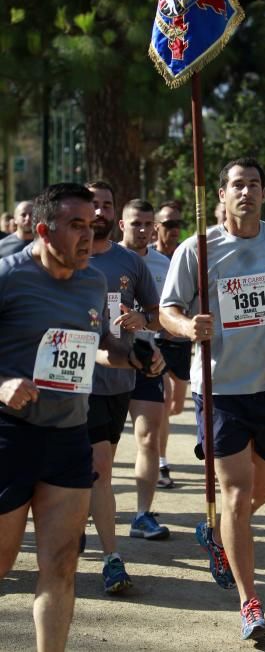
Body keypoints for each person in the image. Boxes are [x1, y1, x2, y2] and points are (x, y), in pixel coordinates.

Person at [159, 156, 265, 640]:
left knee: (259, 494)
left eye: (254, 184)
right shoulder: (198, 250)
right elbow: (166, 309)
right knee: (235, 495)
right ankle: (250, 601)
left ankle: (217, 535)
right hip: (221, 388)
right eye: (237, 185)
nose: (245, 192)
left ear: (264, 193)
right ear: (222, 196)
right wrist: (188, 325)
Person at [0, 183, 163, 652]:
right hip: (10, 435)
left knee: (61, 562)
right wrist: (3, 385)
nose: (88, 236)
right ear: (43, 230)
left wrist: (133, 356)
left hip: (69, 432)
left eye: (91, 226)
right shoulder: (9, 277)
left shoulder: (92, 280)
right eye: (76, 226)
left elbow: (99, 349)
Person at [86, 180, 163, 594]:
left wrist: (142, 321)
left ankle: (86, 522)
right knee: (96, 470)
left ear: (115, 213)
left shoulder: (130, 264)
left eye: (106, 205)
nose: (99, 212)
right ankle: (112, 558)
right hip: (66, 383)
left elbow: (157, 314)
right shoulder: (64, 261)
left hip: (115, 380)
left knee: (99, 469)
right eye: (92, 204)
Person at [119, 198, 170, 540]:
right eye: (136, 223)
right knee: (100, 448)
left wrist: (163, 347)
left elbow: (170, 316)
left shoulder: (165, 264)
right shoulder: (100, 259)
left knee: (149, 439)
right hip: (104, 362)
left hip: (147, 360)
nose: (143, 230)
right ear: (121, 225)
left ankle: (142, 514)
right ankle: (83, 513)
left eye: (148, 224)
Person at [154, 200, 192, 488]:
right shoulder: (148, 259)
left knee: (176, 405)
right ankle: (161, 462)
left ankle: (157, 449)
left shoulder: (186, 255)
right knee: (164, 401)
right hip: (157, 341)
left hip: (182, 341)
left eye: (177, 223)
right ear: (157, 227)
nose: (174, 229)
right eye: (168, 224)